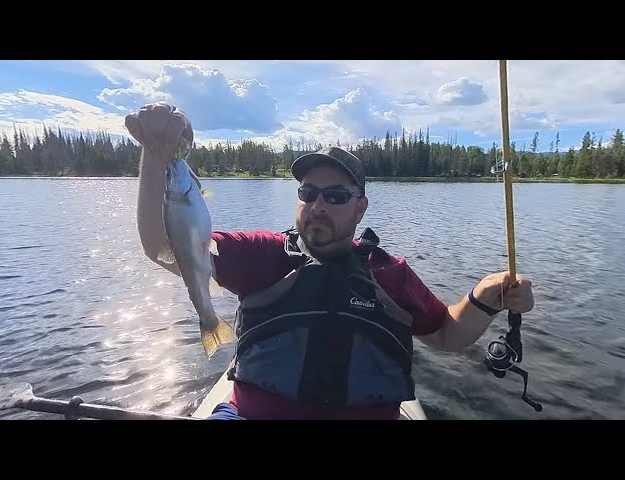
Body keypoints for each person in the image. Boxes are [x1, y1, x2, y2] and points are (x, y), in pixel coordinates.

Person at [125, 102, 535, 420]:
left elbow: (447, 336)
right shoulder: (264, 255)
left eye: (336, 196)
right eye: (308, 193)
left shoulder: (390, 274)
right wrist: (157, 153)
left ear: (360, 209)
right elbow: (163, 247)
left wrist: (484, 298)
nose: (318, 205)